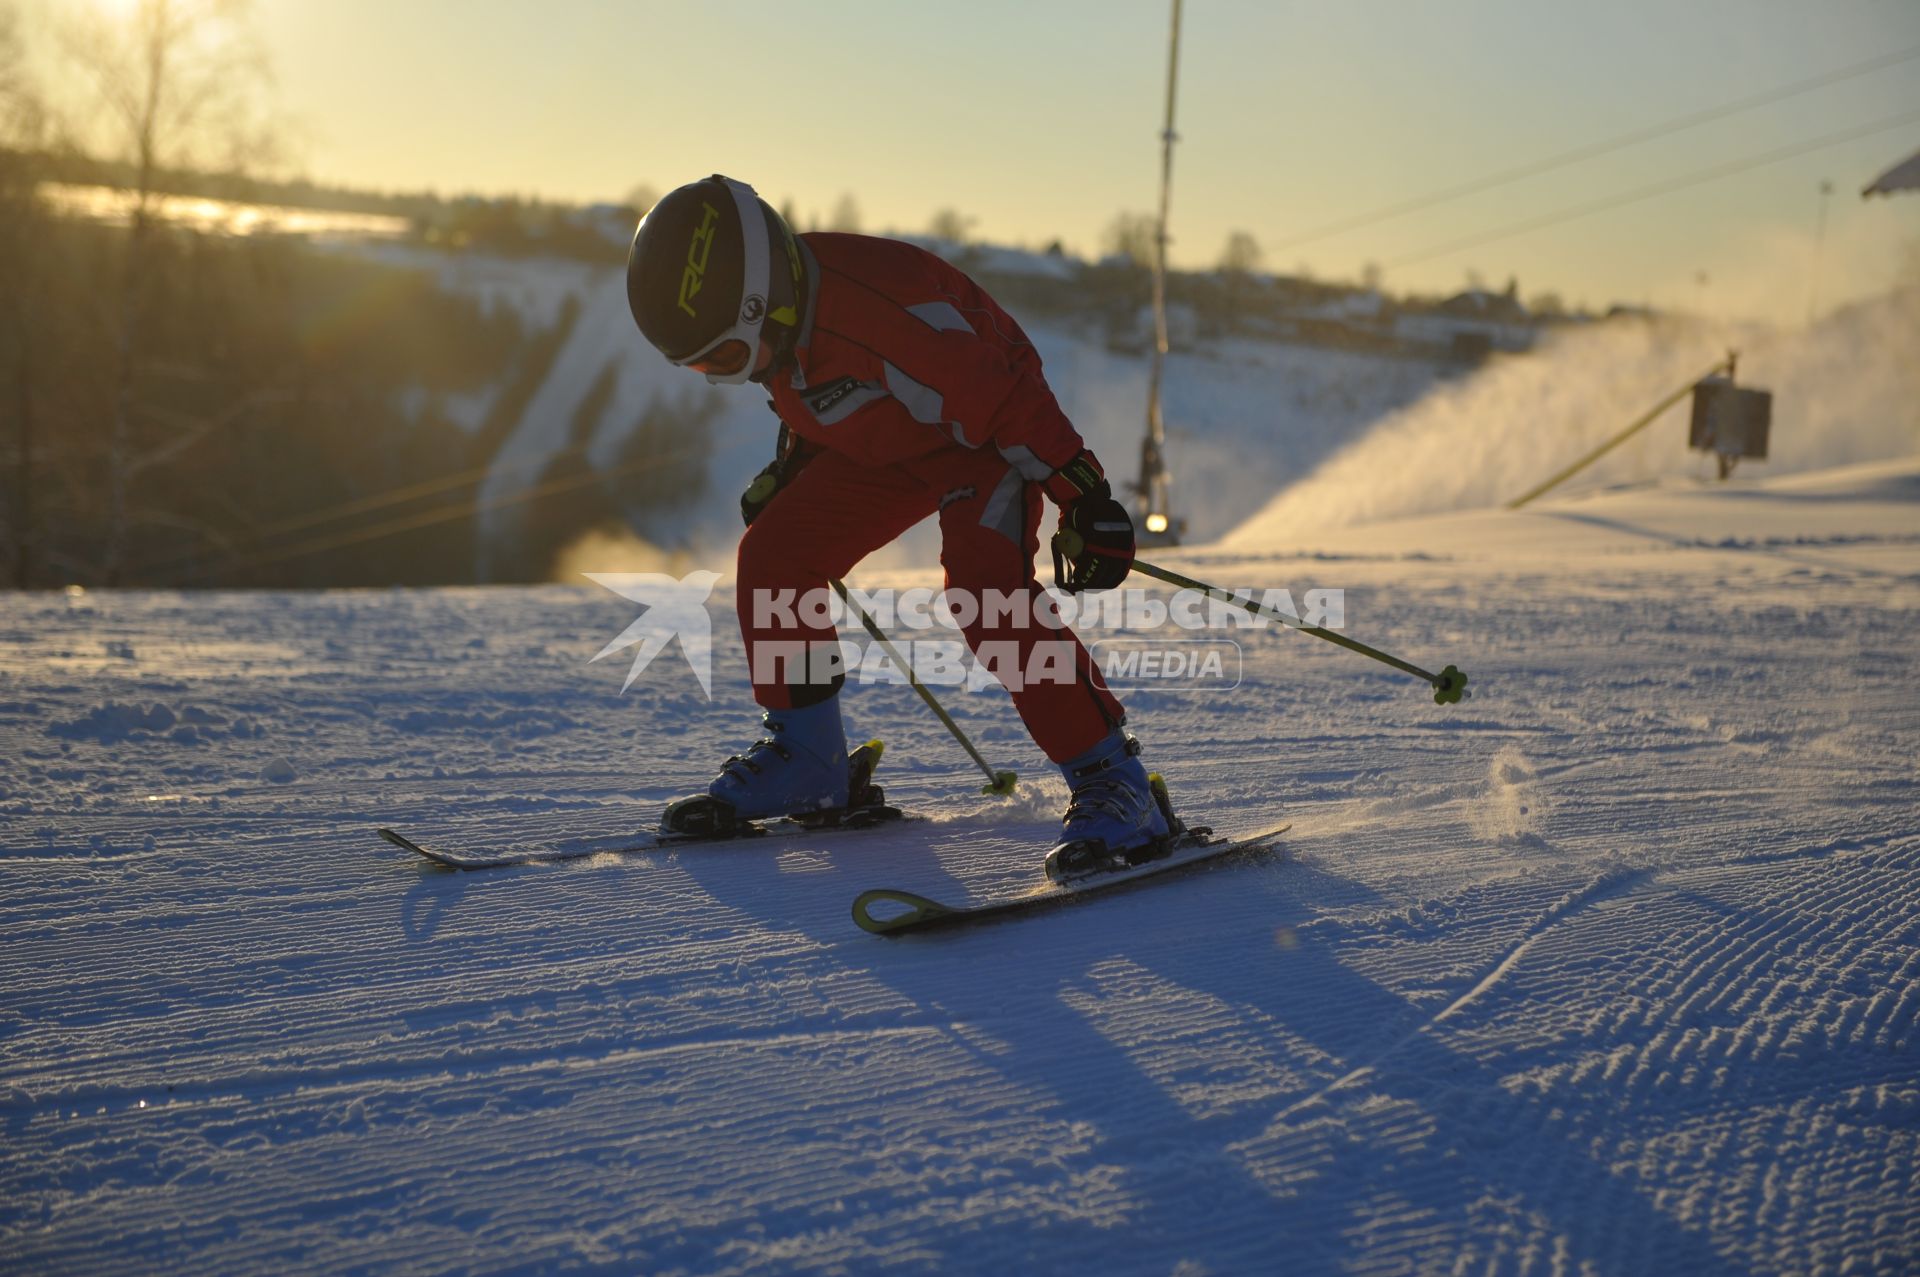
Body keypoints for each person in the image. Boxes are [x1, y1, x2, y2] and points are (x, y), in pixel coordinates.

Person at [624, 174, 1167, 874]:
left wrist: (1084, 498)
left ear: (762, 300)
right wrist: (788, 472)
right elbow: (823, 398)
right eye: (702, 366)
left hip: (983, 442)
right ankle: (810, 759)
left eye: (724, 357)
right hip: (893, 445)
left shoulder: (883, 312)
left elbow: (1007, 402)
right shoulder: (783, 328)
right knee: (775, 555)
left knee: (985, 594)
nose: (724, 376)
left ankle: (1115, 782)